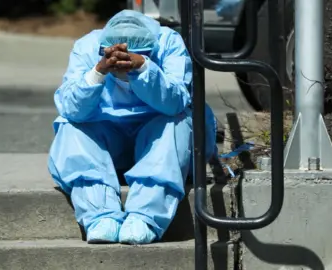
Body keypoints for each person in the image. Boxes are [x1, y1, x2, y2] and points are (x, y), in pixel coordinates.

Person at [47, 10, 217, 245]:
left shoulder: (168, 42)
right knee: (71, 127)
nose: (122, 63)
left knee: (176, 121)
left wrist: (144, 67)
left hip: (157, 142)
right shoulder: (87, 46)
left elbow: (176, 101)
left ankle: (145, 215)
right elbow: (71, 108)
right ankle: (100, 215)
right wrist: (98, 72)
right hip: (108, 143)